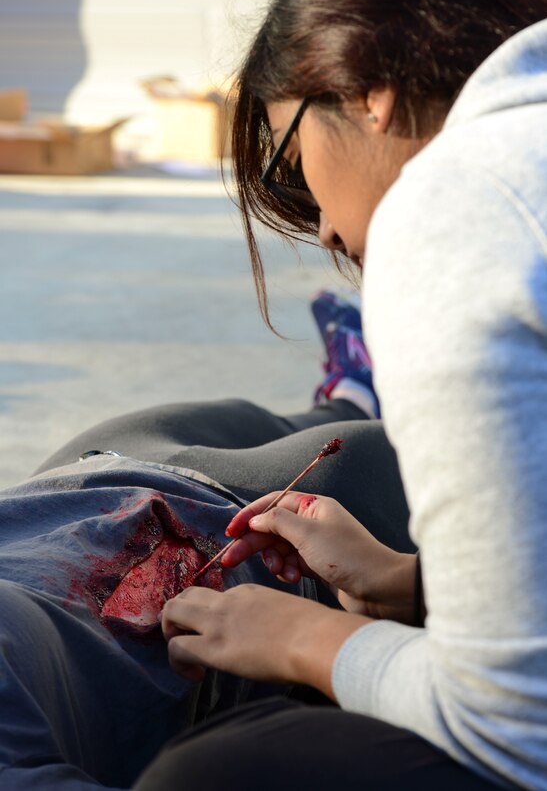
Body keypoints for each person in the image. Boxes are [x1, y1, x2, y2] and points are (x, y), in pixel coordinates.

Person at [132, 0, 547, 789]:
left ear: (368, 97)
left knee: (214, 774)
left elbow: (516, 726)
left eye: (292, 152)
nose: (321, 224)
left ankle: (351, 393)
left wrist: (304, 641)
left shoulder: (456, 204)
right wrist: (409, 584)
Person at [0, 292, 405, 790]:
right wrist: (368, 602)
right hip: (284, 554)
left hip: (82, 475)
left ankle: (353, 389)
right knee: (416, 437)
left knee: (289, 418)